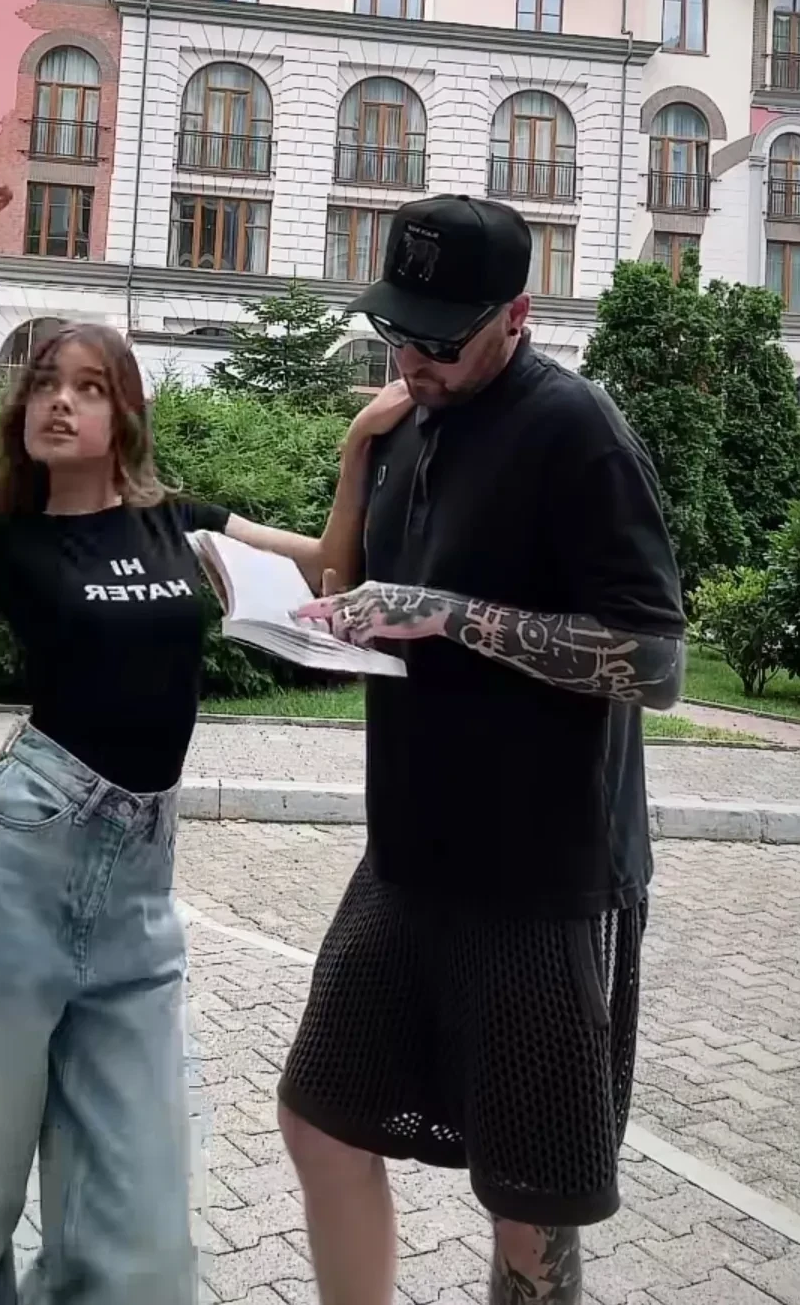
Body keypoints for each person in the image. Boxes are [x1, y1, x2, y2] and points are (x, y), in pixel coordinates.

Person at [0, 166, 409, 1305]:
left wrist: (358, 447)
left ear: (126, 415)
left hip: (139, 902)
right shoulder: (4, 541)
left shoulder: (179, 525)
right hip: (3, 885)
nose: (60, 402)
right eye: (44, 385)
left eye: (89, 387)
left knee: (140, 1236)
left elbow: (326, 568)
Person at [279, 195, 686, 1305]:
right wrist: (338, 620)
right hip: (408, 853)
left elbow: (654, 661)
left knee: (529, 1203)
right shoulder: (408, 422)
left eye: (439, 339)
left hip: (539, 876)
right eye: (394, 330)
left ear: (516, 315)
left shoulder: (576, 428)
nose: (412, 359)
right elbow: (380, 594)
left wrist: (446, 616)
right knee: (321, 1119)